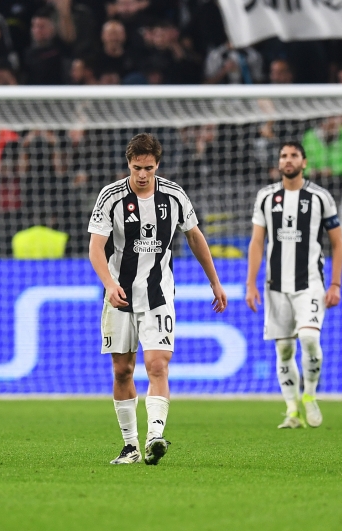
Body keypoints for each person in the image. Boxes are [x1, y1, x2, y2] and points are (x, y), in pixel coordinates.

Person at [87, 133, 228, 465]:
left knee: (157, 364)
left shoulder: (174, 196)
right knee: (123, 370)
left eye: (148, 168)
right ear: (128, 164)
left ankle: (154, 437)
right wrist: (108, 284)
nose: (142, 174)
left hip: (158, 295)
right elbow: (95, 247)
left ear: (157, 165)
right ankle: (130, 446)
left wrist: (215, 282)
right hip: (119, 295)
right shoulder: (110, 197)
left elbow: (195, 237)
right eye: (137, 167)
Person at [245, 142, 342, 429]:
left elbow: (338, 243)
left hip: (310, 283)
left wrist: (335, 284)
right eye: (284, 156)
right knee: (285, 351)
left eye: (294, 156)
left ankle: (310, 395)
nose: (288, 160)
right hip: (275, 286)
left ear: (304, 162)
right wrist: (250, 283)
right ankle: (291, 410)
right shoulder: (265, 197)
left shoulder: (320, 197)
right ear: (279, 163)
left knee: (309, 340)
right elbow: (256, 241)